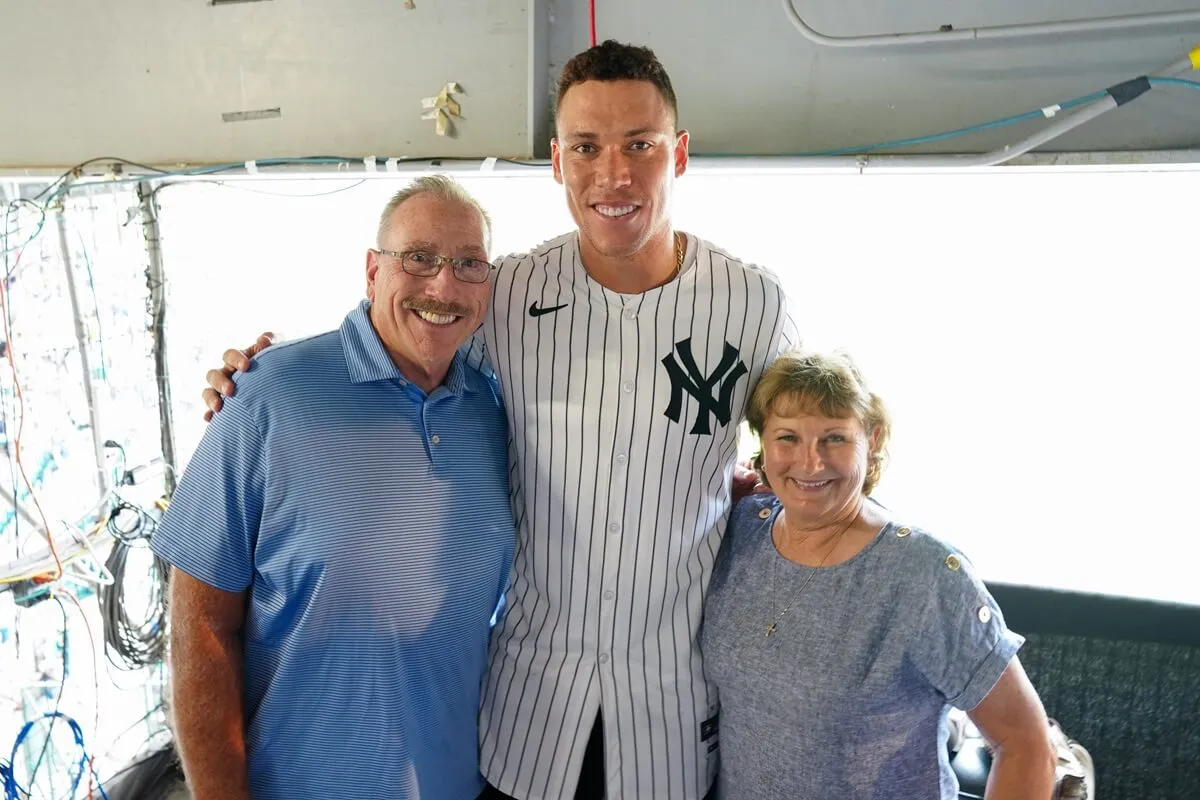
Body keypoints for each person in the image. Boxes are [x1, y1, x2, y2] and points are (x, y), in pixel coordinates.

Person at [204, 41, 795, 800]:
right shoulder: (508, 293)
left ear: (678, 154)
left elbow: (798, 443)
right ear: (557, 161)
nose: (613, 173)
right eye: (586, 146)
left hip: (672, 726)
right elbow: (404, 337)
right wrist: (256, 375)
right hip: (522, 724)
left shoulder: (755, 305)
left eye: (639, 145)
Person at [152, 176, 515, 800]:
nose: (443, 285)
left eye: (468, 265)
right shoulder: (266, 396)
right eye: (419, 258)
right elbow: (201, 627)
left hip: (455, 784)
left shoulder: (493, 409)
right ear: (372, 272)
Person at [701, 350, 1057, 799]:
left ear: (872, 439)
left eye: (833, 438)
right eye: (787, 437)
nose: (810, 463)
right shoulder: (742, 529)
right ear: (762, 443)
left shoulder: (925, 575)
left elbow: (1026, 744)